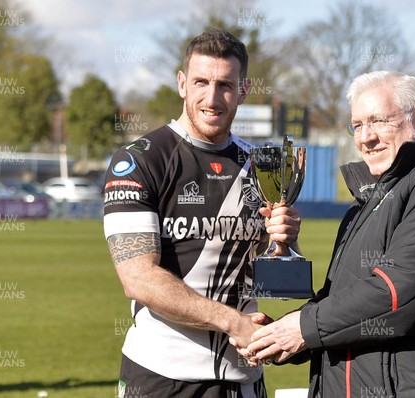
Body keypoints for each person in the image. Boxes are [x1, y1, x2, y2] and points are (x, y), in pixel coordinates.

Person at [237, 71, 415, 397]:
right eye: (357, 126)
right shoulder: (374, 194)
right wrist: (284, 334)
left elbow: (399, 295)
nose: (366, 137)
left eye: (378, 121)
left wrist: (302, 329)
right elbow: (346, 298)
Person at [103, 28, 300, 398]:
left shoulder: (261, 166)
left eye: (225, 84)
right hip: (163, 376)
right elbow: (138, 278)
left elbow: (268, 269)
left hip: (244, 375)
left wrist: (284, 237)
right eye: (201, 82)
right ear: (182, 84)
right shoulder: (140, 160)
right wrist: (232, 323)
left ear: (242, 90)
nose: (212, 98)